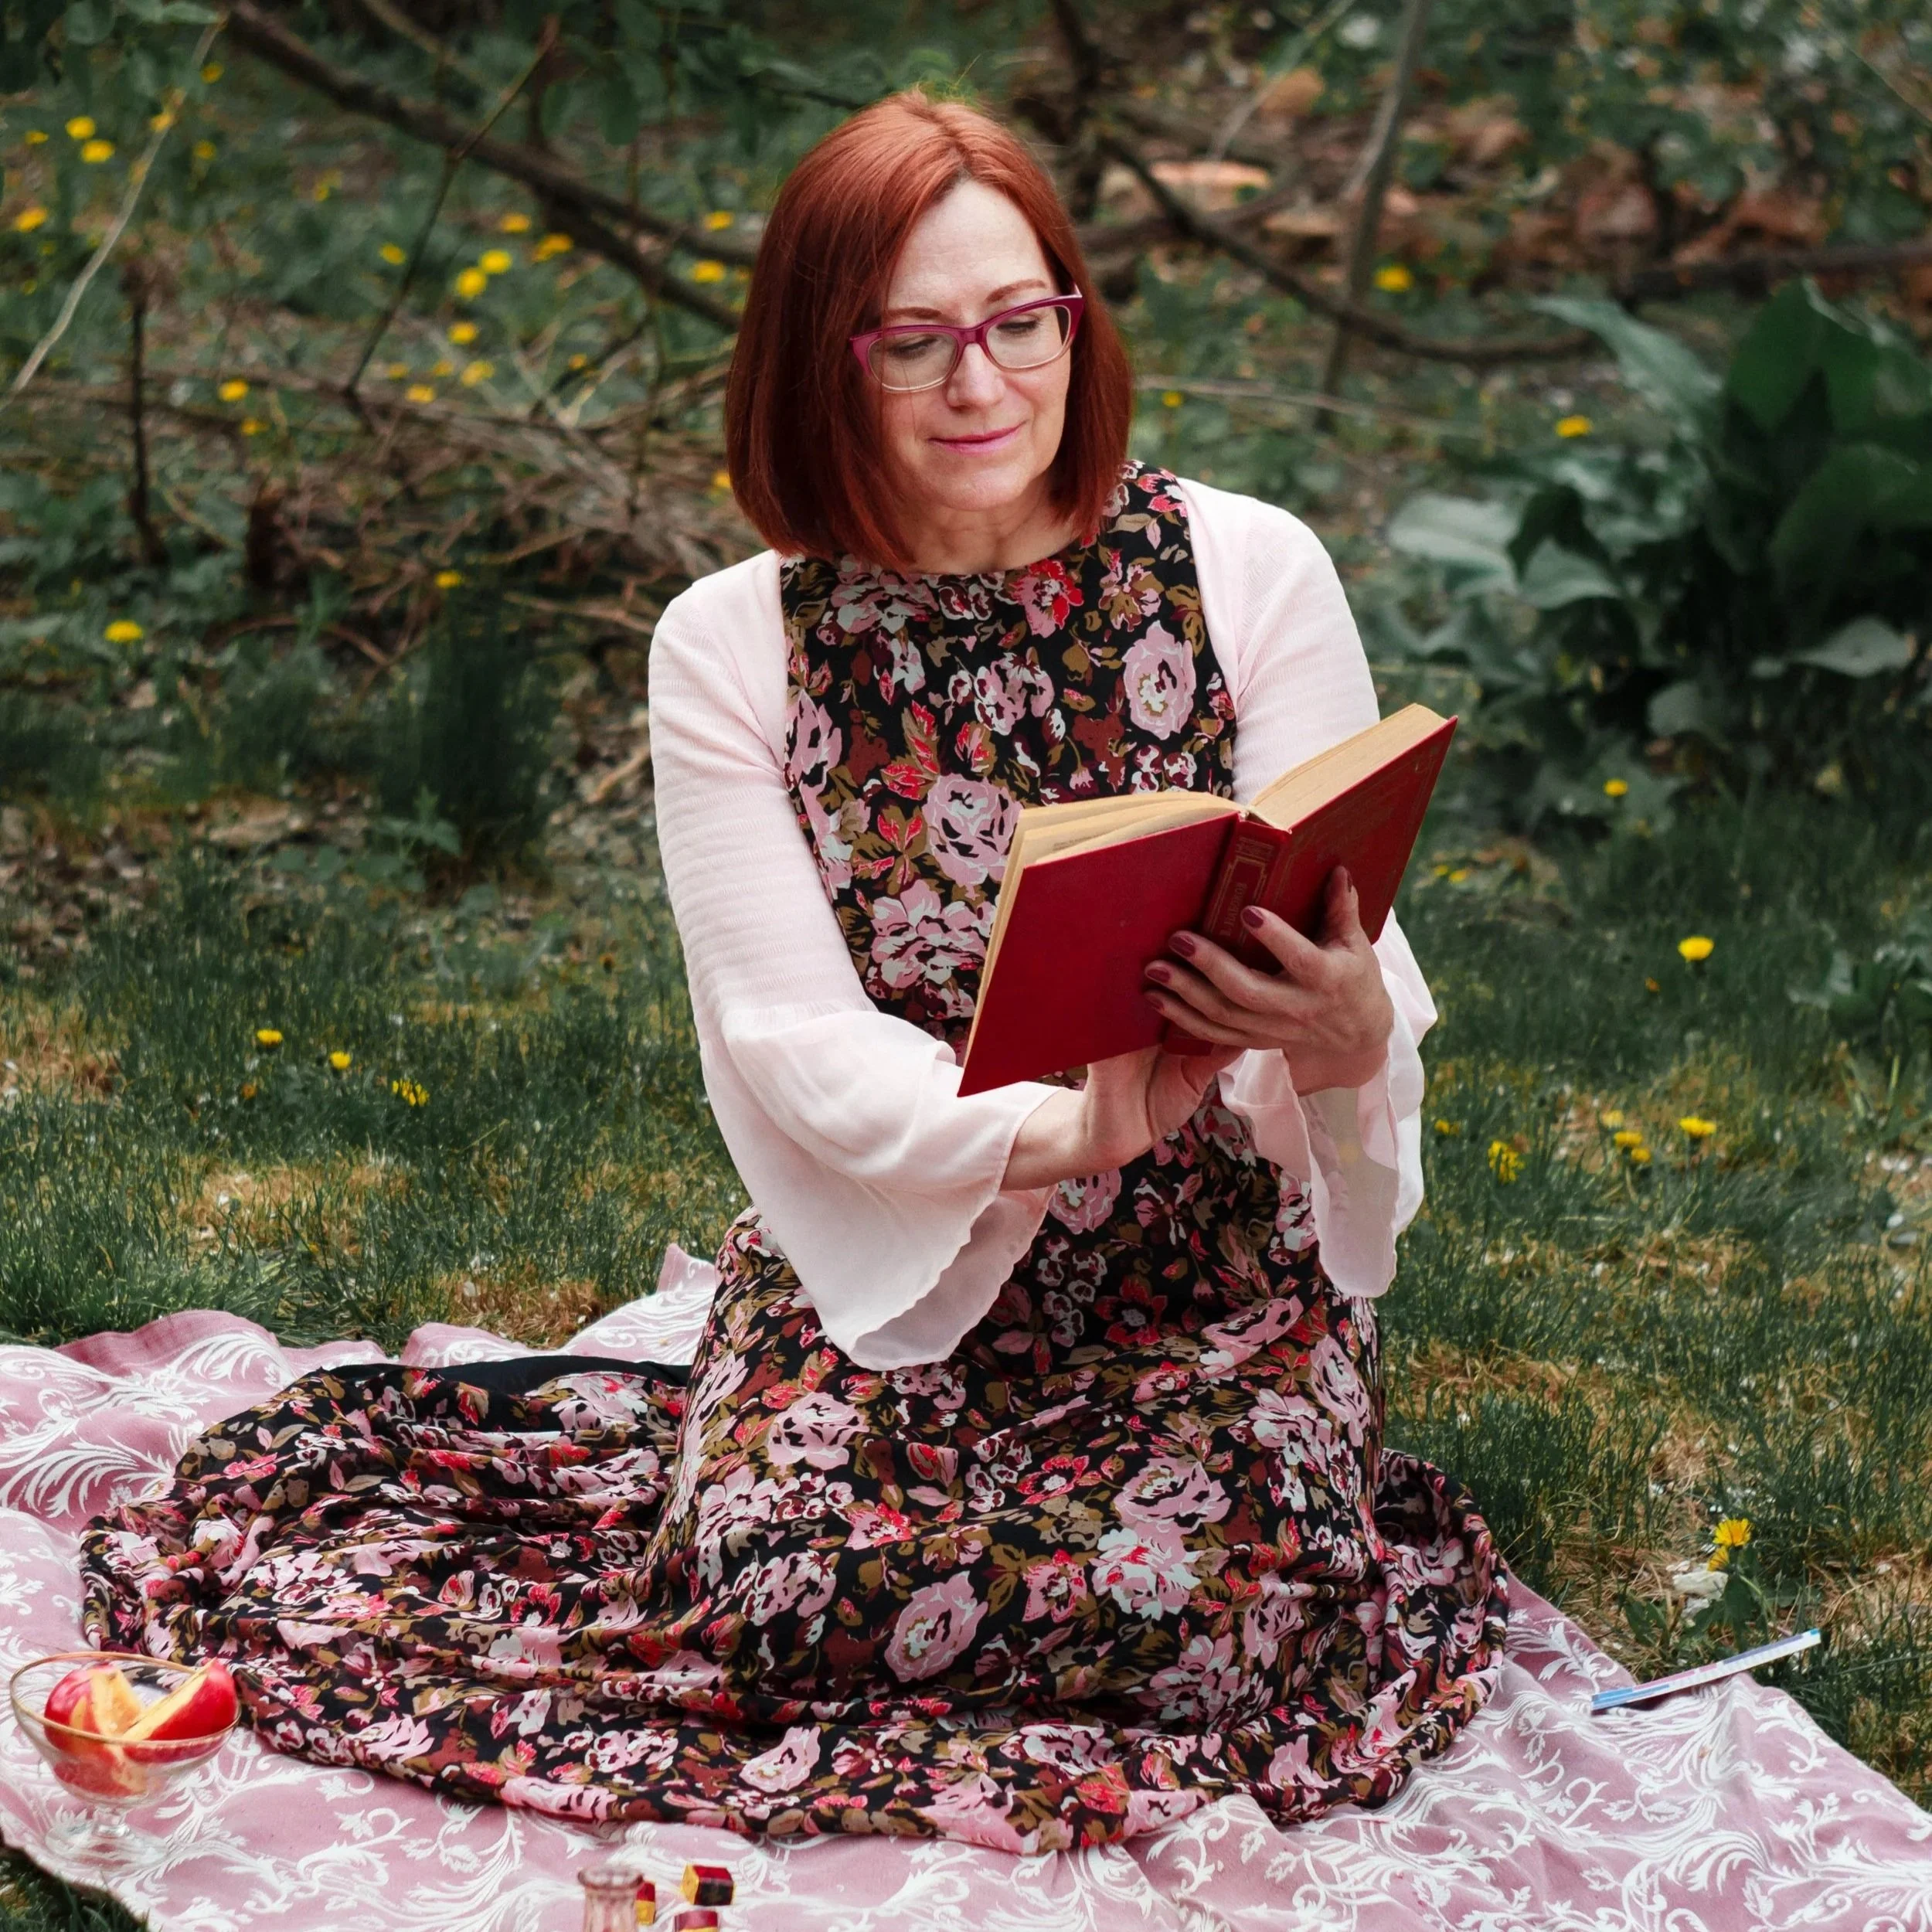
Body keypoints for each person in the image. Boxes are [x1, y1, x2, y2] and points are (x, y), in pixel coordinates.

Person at [81, 90, 1505, 1852]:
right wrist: (1069, 1125)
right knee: (779, 1587)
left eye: (1016, 322)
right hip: (903, 1250)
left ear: (1075, 316)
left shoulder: (1247, 565)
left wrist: (1351, 1025)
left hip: (1213, 1279)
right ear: (820, 362)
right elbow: (785, 1030)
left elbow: (1353, 929)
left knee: (1215, 1612)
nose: (979, 383)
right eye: (912, 340)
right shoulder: (732, 640)